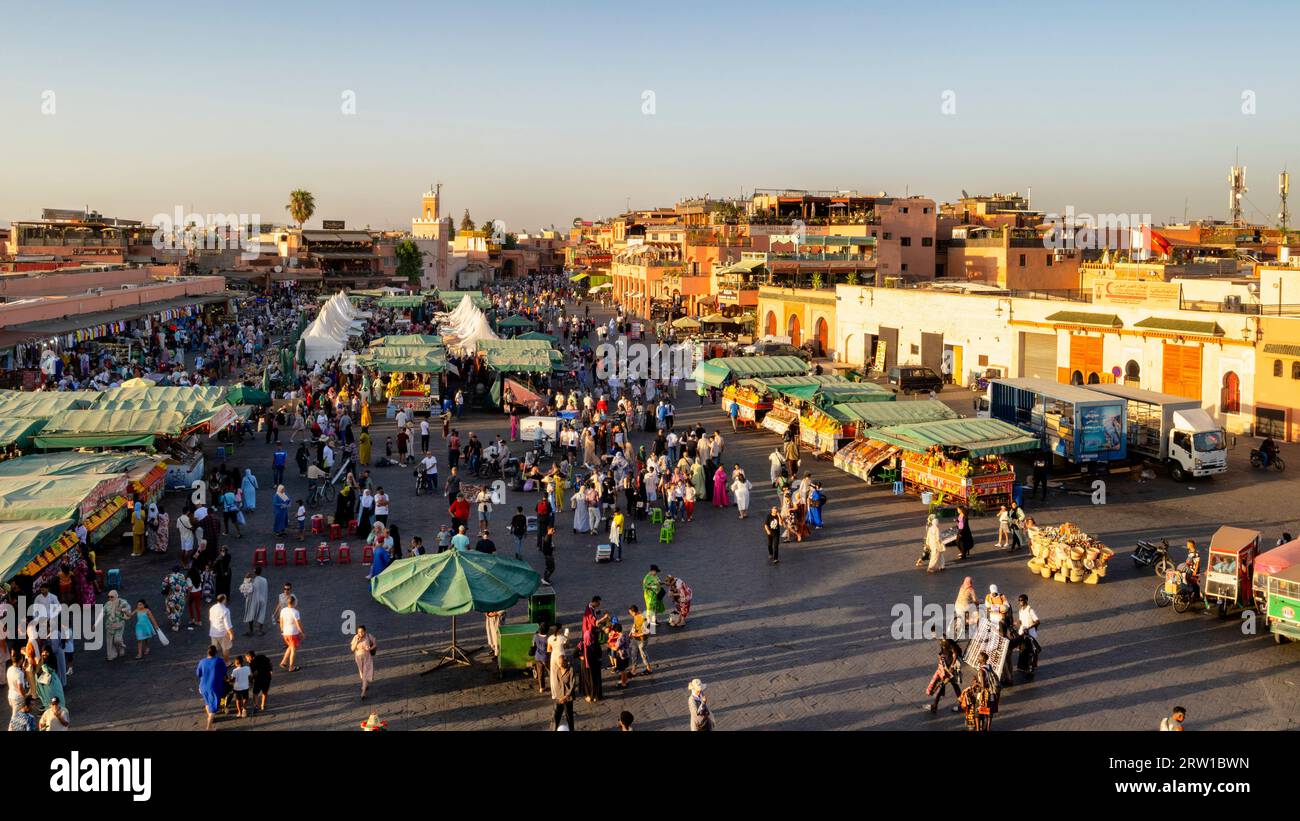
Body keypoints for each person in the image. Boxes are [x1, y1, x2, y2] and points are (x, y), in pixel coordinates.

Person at [924, 636, 963, 713]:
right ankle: (962, 704)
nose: (933, 635)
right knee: (954, 686)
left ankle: (935, 706)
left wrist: (952, 666)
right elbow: (944, 651)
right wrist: (940, 655)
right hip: (945, 667)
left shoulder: (947, 641)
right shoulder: (941, 641)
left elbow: (955, 653)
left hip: (949, 669)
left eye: (933, 633)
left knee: (942, 685)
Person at [195, 645, 226, 730]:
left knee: (207, 702)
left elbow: (198, 674)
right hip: (214, 686)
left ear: (207, 652)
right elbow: (224, 672)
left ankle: (211, 720)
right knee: (214, 707)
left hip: (203, 686)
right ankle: (209, 727)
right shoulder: (219, 661)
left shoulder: (202, 661)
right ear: (215, 652)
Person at [1014, 594, 1041, 674]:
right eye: (1019, 600)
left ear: (1026, 600)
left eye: (1022, 600)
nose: (1020, 602)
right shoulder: (1020, 610)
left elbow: (1037, 621)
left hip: (1029, 635)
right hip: (1022, 633)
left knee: (1030, 652)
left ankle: (1030, 667)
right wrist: (1017, 623)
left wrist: (1029, 628)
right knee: (1022, 650)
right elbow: (1021, 621)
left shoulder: (1030, 610)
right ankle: (1022, 667)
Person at [103, 590, 132, 661]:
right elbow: (102, 613)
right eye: (108, 597)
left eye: (111, 596)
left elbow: (128, 609)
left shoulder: (122, 602)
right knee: (109, 641)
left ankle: (121, 646)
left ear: (116, 596)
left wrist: (122, 609)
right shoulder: (107, 604)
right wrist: (95, 623)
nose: (110, 598)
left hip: (119, 624)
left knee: (117, 640)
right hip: (109, 625)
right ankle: (112, 655)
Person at [350, 626, 376, 700]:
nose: (360, 633)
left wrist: (370, 648)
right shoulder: (355, 638)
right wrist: (357, 641)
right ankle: (365, 685)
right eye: (359, 632)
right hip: (358, 658)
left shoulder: (368, 636)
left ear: (365, 631)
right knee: (361, 673)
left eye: (362, 632)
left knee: (365, 674)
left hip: (367, 658)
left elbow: (375, 644)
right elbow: (352, 649)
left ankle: (363, 692)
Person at [551, 654, 577, 731]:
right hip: (559, 698)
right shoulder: (557, 670)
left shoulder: (571, 670)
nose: (560, 665)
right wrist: (559, 697)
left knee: (569, 717)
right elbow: (556, 684)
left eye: (562, 663)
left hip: (568, 698)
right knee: (555, 716)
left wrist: (566, 696)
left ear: (566, 662)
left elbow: (573, 684)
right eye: (559, 663)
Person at [279, 595, 304, 672]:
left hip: (285, 633)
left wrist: (282, 631)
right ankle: (291, 667)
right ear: (294, 602)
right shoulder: (295, 612)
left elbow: (281, 621)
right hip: (293, 633)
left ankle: (283, 662)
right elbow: (298, 624)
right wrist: (302, 632)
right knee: (293, 649)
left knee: (290, 646)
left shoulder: (283, 610)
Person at [241, 567, 268, 637]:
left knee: (250, 614)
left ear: (254, 572)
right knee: (262, 613)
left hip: (254, 600)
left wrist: (246, 579)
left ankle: (251, 631)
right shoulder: (264, 580)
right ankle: (260, 631)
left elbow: (245, 590)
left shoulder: (252, 581)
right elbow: (265, 590)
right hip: (263, 599)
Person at [208, 594, 235, 663]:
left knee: (214, 649)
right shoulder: (225, 610)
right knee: (225, 648)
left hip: (213, 632)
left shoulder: (212, 608)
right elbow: (227, 624)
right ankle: (227, 662)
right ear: (223, 600)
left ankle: (212, 662)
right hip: (223, 633)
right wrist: (231, 634)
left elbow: (210, 619)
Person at [627, 604, 652, 675]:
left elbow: (648, 631)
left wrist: (636, 634)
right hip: (635, 639)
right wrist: (631, 632)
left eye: (630, 613)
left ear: (634, 612)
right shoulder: (635, 616)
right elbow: (635, 624)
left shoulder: (643, 617)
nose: (630, 614)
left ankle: (649, 669)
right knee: (634, 654)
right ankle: (633, 670)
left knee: (643, 654)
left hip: (642, 640)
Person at [642, 565, 664, 635]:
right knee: (650, 608)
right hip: (650, 596)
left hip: (656, 595)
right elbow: (645, 586)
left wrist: (663, 583)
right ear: (652, 571)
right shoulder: (647, 577)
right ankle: (650, 623)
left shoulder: (655, 576)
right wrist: (653, 586)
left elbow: (658, 582)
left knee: (655, 608)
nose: (656, 573)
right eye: (656, 572)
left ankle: (654, 620)